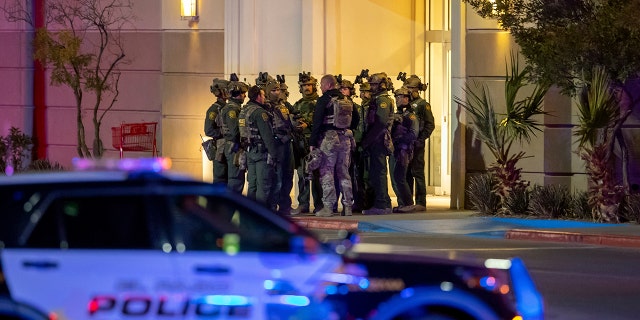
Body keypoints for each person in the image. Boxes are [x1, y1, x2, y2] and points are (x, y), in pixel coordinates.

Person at [309, 74, 356, 217]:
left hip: (329, 140)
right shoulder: (346, 100)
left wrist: (312, 143)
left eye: (322, 85)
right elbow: (356, 120)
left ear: (328, 85)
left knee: (326, 172)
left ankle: (328, 207)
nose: (321, 88)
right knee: (344, 172)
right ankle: (348, 207)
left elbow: (316, 123)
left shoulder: (324, 100)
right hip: (345, 139)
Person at [256, 73, 295, 215]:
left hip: (287, 143)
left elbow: (294, 117)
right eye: (273, 90)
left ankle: (285, 205)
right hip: (276, 144)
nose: (277, 92)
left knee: (288, 175)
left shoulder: (284, 105)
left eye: (278, 90)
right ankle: (272, 206)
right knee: (276, 177)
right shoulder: (265, 107)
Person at [360, 72, 394, 215]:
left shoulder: (382, 101)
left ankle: (381, 204)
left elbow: (380, 123)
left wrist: (367, 141)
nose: (371, 87)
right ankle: (383, 203)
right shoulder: (377, 100)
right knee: (376, 172)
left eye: (374, 84)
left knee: (379, 172)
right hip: (375, 140)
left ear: (382, 85)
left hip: (378, 140)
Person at [239, 85, 278, 206]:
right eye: (263, 95)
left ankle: (250, 214)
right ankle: (261, 214)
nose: (265, 97)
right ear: (258, 97)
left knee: (252, 185)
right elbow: (267, 136)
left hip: (249, 152)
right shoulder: (260, 113)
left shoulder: (244, 111)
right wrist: (274, 154)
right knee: (263, 185)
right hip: (261, 153)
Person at [403, 75, 435, 211]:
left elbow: (429, 124)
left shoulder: (423, 105)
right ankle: (408, 201)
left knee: (418, 172)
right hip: (407, 144)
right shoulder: (405, 104)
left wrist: (421, 139)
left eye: (410, 88)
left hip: (417, 144)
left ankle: (421, 202)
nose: (408, 91)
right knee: (407, 173)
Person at [291, 72, 321, 215]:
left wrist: (307, 124)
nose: (307, 88)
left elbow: (322, 121)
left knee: (317, 175)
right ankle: (303, 204)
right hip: (301, 143)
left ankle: (319, 204)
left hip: (316, 143)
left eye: (309, 85)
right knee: (302, 175)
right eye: (304, 85)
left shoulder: (320, 103)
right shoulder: (297, 105)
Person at [389, 86, 419, 213]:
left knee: (400, 176)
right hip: (397, 149)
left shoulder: (411, 116)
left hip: (404, 150)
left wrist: (399, 139)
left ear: (406, 99)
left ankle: (408, 203)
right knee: (397, 177)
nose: (397, 100)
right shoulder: (400, 114)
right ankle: (404, 202)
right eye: (396, 97)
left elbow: (413, 134)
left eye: (399, 97)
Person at [220, 75, 248, 193]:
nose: (245, 96)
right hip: (234, 147)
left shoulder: (234, 107)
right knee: (236, 178)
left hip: (233, 146)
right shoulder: (232, 109)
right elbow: (234, 131)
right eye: (242, 93)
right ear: (237, 94)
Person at [337, 77, 361, 214]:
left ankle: (348, 204)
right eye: (340, 89)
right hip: (337, 142)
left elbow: (357, 121)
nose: (342, 91)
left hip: (348, 142)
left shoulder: (352, 105)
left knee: (347, 173)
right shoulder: (335, 103)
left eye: (345, 88)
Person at [204, 78, 230, 184]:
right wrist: (223, 133)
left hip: (228, 148)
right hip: (220, 149)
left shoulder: (228, 107)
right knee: (220, 178)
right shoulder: (214, 109)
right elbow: (208, 130)